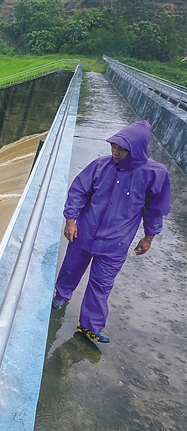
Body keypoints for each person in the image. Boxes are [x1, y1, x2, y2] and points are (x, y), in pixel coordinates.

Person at [51, 120, 171, 343]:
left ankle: (90, 326)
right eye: (113, 147)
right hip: (84, 233)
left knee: (101, 284)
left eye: (121, 150)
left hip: (116, 242)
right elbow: (78, 191)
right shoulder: (100, 166)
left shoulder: (154, 174)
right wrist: (70, 219)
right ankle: (61, 295)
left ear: (136, 150)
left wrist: (149, 236)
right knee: (71, 268)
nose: (115, 153)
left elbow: (155, 208)